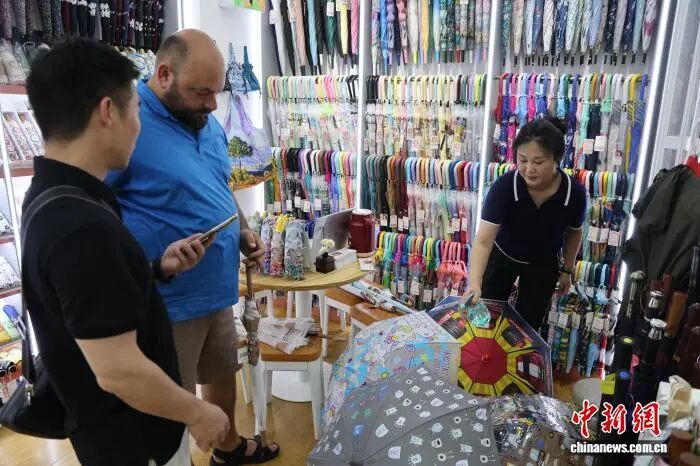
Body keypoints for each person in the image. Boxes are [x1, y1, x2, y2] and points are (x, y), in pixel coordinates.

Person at [22, 38, 230, 466]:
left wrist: (155, 268)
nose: (140, 124)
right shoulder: (79, 226)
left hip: (117, 431)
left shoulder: (54, 196)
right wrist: (198, 412)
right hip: (135, 438)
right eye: (135, 109)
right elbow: (118, 370)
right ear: (108, 112)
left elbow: (89, 298)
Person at [105, 29, 278, 465]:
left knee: (221, 372)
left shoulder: (203, 121)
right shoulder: (128, 122)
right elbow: (99, 210)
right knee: (169, 407)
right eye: (202, 92)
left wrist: (242, 232)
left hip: (217, 289)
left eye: (216, 92)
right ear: (164, 74)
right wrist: (151, 260)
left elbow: (219, 186)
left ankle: (228, 448)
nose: (213, 104)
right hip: (168, 302)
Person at [465, 118, 587, 329]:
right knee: (487, 318)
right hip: (503, 257)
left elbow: (574, 233)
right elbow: (483, 240)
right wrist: (474, 283)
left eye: (538, 162)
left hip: (543, 264)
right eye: (522, 160)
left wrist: (567, 271)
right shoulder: (504, 187)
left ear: (557, 159)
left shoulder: (573, 194)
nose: (529, 169)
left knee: (528, 326)